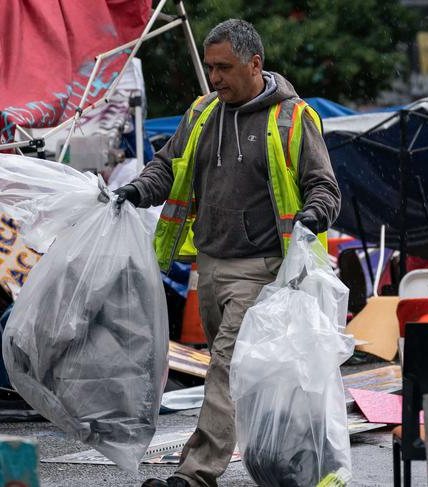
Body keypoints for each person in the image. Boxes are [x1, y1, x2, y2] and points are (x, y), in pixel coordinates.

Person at [114, 19, 341, 487]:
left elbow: (325, 187)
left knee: (227, 365)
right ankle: (302, 457)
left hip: (263, 270)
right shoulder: (201, 113)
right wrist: (134, 192)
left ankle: (195, 475)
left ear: (255, 63)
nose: (214, 78)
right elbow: (166, 168)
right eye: (211, 67)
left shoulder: (293, 119)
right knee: (251, 379)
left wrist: (313, 216)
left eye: (224, 67)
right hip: (209, 269)